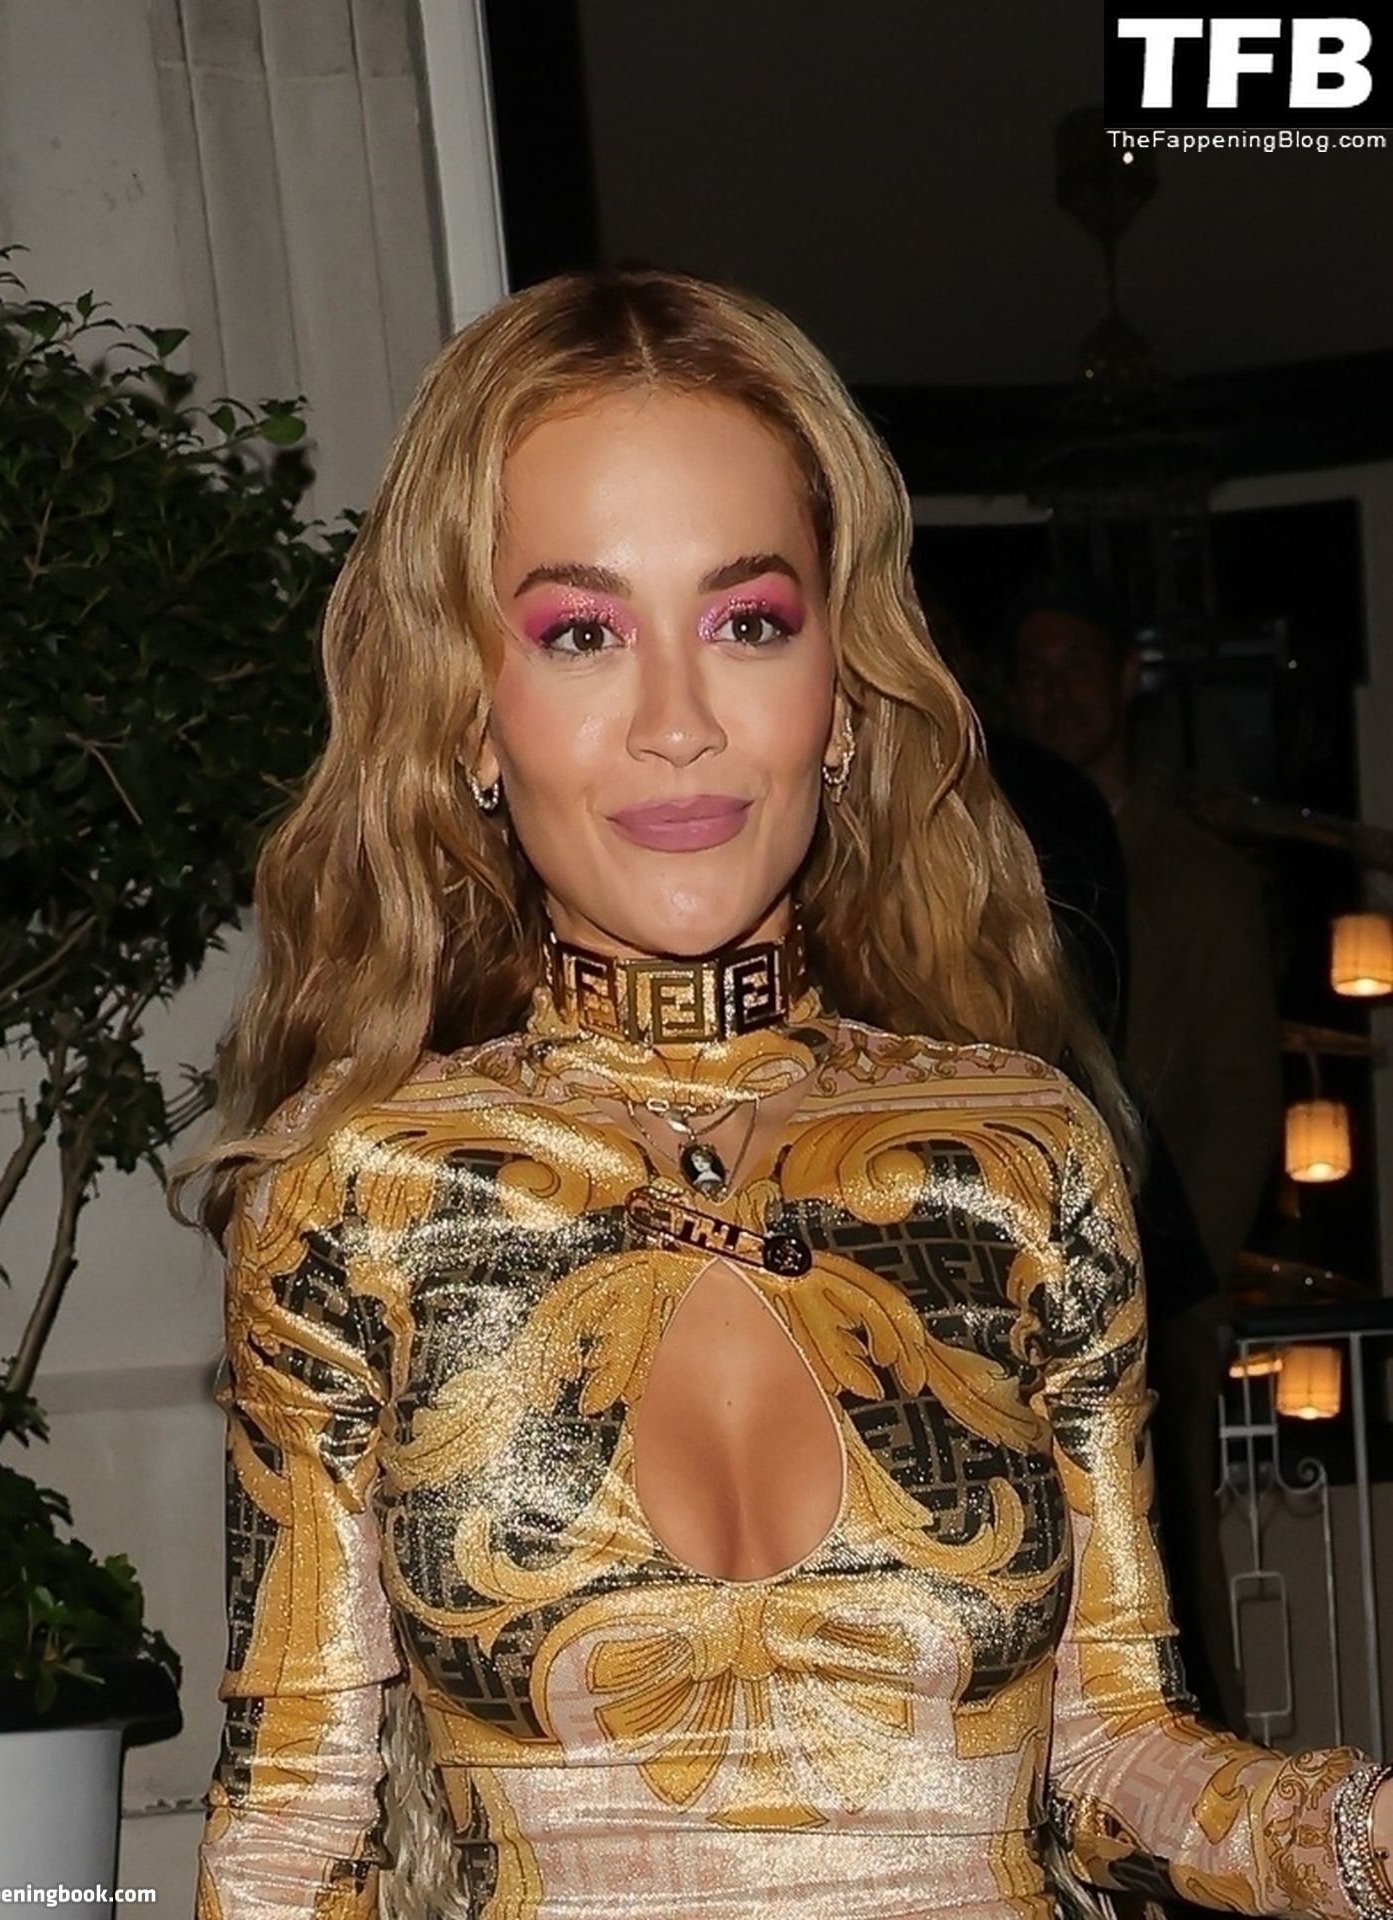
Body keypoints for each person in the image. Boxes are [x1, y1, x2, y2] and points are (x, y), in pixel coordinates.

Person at [181, 269, 1392, 1920]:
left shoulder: (1014, 1156)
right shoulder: (359, 1191)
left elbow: (1111, 1757)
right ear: (470, 715)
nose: (678, 724)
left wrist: (1354, 1833)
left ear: (839, 693)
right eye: (582, 633)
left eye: (746, 622)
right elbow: (287, 1838)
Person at [1009, 580, 1285, 1735]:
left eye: (1077, 663)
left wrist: (1173, 1275)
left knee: (1166, 1570)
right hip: (1027, 1277)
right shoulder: (1001, 860)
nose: (1055, 690)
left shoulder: (1200, 875)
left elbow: (1239, 1092)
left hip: (1157, 1270)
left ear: (1126, 678)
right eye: (1034, 670)